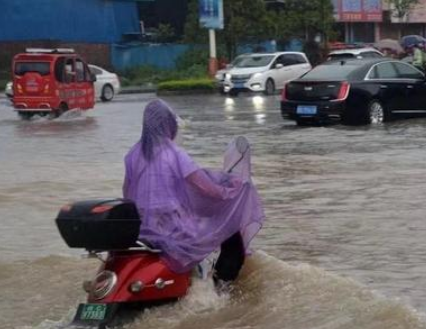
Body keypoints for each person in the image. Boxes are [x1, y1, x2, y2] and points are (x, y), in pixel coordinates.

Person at [122, 99, 264, 285]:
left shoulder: (132, 155)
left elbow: (126, 192)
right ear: (167, 124)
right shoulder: (175, 154)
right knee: (230, 238)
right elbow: (207, 188)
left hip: (142, 229)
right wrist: (232, 190)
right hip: (173, 229)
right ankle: (222, 289)